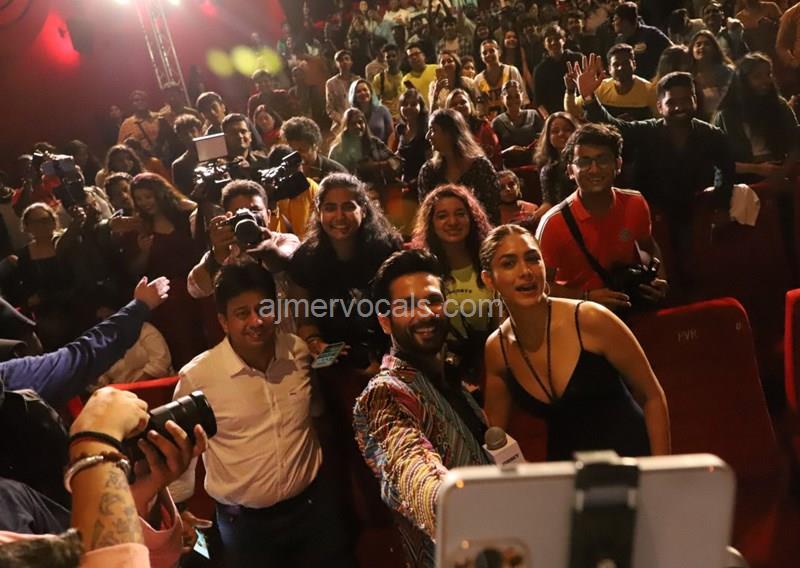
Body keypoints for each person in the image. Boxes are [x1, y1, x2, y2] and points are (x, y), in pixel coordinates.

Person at [171, 261, 355, 567]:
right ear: (223, 321)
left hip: (313, 510)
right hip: (245, 527)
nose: (256, 321)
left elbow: (315, 411)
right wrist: (179, 509)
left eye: (264, 309)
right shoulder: (198, 377)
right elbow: (180, 452)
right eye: (242, 313)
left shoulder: (297, 352)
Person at [480, 212, 670, 463]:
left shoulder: (590, 319)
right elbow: (494, 437)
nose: (525, 271)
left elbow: (652, 396)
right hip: (567, 473)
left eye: (533, 259)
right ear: (488, 279)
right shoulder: (498, 349)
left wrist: (661, 473)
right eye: (509, 263)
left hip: (632, 462)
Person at [353, 249, 490, 568]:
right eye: (407, 305)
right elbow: (410, 464)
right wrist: (450, 504)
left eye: (433, 300)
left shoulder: (449, 378)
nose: (425, 313)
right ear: (385, 321)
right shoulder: (385, 394)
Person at [576, 57, 735, 263]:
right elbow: (613, 126)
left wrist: (721, 204)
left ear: (695, 101)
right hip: (650, 215)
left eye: (686, 100)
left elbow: (726, 168)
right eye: (672, 103)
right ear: (660, 106)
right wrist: (590, 98)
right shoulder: (647, 131)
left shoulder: (712, 135)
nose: (679, 107)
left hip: (693, 214)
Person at [534, 123, 669, 310]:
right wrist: (585, 298)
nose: (594, 169)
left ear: (618, 165)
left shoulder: (635, 203)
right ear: (570, 171)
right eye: (584, 162)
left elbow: (649, 247)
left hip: (626, 305)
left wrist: (658, 280)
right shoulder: (553, 223)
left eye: (603, 160)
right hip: (577, 314)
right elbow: (539, 287)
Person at [411, 184, 498, 382]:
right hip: (443, 372)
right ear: (431, 223)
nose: (452, 222)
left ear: (471, 218)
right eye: (442, 216)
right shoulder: (423, 271)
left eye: (460, 214)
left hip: (493, 364)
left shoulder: (491, 262)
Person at [127, 173, 205, 367]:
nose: (144, 203)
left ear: (160, 193)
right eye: (139, 199)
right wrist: (144, 252)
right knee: (183, 347)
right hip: (168, 299)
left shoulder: (184, 215)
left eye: (148, 196)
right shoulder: (141, 227)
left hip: (197, 287)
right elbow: (136, 270)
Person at [418, 108, 501, 224]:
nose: (427, 136)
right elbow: (426, 215)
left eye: (433, 130)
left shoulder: (480, 166)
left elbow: (493, 210)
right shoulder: (428, 171)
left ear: (449, 133)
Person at [569, 43, 656, 121]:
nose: (621, 68)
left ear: (634, 64)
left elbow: (659, 122)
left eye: (626, 63)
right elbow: (574, 110)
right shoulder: (600, 88)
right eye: (616, 64)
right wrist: (570, 90)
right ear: (609, 69)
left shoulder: (649, 90)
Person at [329, 108, 402, 185]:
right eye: (353, 124)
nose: (358, 126)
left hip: (377, 189)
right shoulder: (337, 151)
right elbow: (331, 178)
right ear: (346, 127)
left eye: (360, 122)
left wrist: (376, 165)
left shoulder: (374, 143)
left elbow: (398, 162)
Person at [533, 112, 579, 223]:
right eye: (555, 131)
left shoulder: (586, 162)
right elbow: (548, 203)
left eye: (567, 130)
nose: (561, 134)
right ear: (548, 137)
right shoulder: (548, 169)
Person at [612, 2, 673, 80]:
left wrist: (659, 76)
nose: (613, 23)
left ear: (625, 21)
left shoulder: (651, 34)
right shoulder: (619, 40)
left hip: (651, 83)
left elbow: (672, 52)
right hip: (630, 83)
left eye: (616, 19)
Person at [445, 88, 503, 168]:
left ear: (470, 105)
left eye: (463, 102)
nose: (459, 106)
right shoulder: (445, 134)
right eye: (454, 104)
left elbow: (495, 154)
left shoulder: (483, 127)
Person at [533, 25, 582, 117]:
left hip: (580, 112)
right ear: (544, 44)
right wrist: (548, 118)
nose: (553, 42)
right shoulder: (540, 69)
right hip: (555, 115)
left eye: (556, 38)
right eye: (549, 40)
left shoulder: (578, 59)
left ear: (563, 40)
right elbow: (539, 101)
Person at [280, 117, 349, 183]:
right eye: (292, 151)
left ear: (315, 146)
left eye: (302, 150)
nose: (297, 156)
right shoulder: (284, 172)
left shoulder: (336, 173)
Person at [491, 80, 544, 164]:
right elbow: (494, 154)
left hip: (534, 165)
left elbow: (544, 140)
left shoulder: (533, 115)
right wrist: (507, 151)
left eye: (517, 96)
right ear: (502, 98)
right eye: (509, 97)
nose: (513, 100)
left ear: (522, 96)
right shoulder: (497, 122)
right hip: (511, 168)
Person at [474, 39, 529, 118]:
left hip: (514, 119)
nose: (488, 55)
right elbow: (480, 109)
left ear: (499, 52)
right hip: (491, 123)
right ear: (481, 57)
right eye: (484, 53)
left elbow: (523, 99)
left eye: (492, 51)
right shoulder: (478, 80)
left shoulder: (511, 71)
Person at [689, 30, 735, 120]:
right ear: (692, 50)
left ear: (715, 49)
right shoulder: (689, 77)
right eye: (698, 44)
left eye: (707, 44)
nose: (702, 47)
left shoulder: (727, 72)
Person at [392, 89, 431, 188]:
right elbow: (400, 154)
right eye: (405, 104)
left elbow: (431, 164)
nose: (408, 107)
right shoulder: (400, 129)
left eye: (413, 104)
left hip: (424, 184)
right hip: (405, 183)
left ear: (420, 107)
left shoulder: (426, 132)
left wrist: (413, 183)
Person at [118, 90, 163, 156]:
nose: (140, 102)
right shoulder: (126, 124)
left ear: (147, 102)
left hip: (165, 157)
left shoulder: (159, 117)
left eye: (143, 99)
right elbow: (121, 148)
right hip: (143, 159)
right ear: (131, 104)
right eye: (136, 100)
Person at [326, 50, 362, 133]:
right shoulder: (331, 83)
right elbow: (330, 109)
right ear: (336, 64)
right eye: (340, 60)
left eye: (346, 59)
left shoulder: (358, 80)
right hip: (340, 125)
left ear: (351, 62)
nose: (344, 62)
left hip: (358, 122)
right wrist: (343, 121)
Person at [347, 79, 393, 143]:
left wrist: (387, 148)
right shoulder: (351, 114)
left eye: (365, 90)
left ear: (371, 92)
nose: (363, 93)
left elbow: (391, 134)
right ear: (353, 96)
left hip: (382, 148)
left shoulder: (383, 110)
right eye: (358, 91)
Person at [170, 114, 204, 196]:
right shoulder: (178, 166)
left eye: (192, 131)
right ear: (180, 137)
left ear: (200, 132)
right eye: (185, 134)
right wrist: (195, 193)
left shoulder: (217, 152)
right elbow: (182, 196)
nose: (190, 136)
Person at [372, 43, 405, 121]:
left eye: (393, 56)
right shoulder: (379, 78)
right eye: (388, 57)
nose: (391, 59)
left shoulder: (405, 76)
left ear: (398, 57)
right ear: (384, 59)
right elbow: (375, 102)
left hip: (403, 116)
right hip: (386, 117)